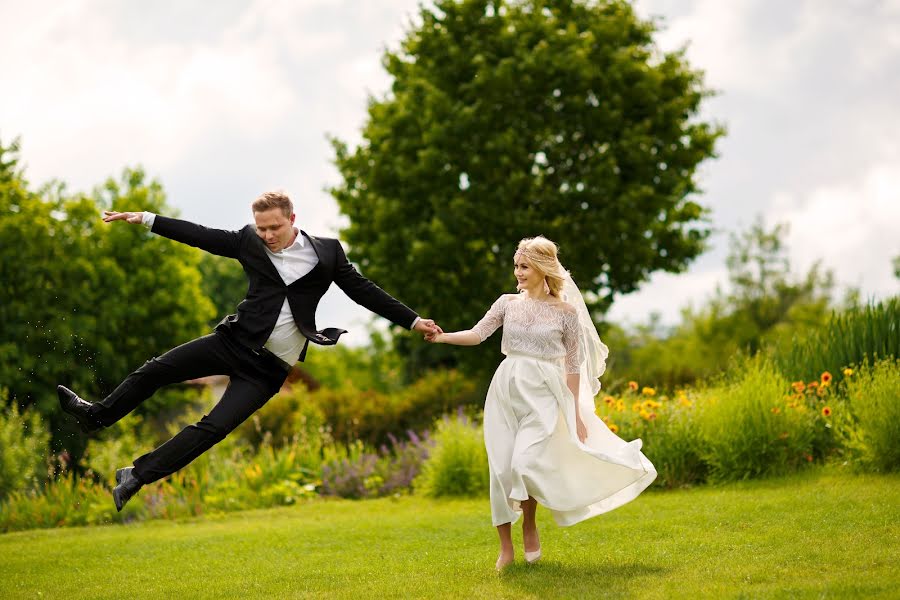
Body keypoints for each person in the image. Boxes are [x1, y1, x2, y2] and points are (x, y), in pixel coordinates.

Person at [57, 191, 441, 511]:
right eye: (262, 228)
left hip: (269, 371)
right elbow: (201, 235)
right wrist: (146, 218)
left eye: (275, 227)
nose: (268, 235)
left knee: (213, 427)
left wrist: (412, 320)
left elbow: (364, 291)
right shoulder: (248, 241)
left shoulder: (327, 253)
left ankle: (136, 475)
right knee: (156, 370)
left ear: (293, 218)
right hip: (233, 342)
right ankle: (96, 416)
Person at [426, 236, 656, 570]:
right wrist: (443, 336)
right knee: (502, 468)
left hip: (545, 393)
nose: (518, 273)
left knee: (524, 463)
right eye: (516, 266)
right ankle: (506, 547)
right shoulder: (506, 303)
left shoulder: (565, 313)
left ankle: (530, 523)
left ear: (543, 268)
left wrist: (576, 414)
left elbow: (573, 366)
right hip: (506, 388)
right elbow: (478, 334)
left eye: (524, 266)